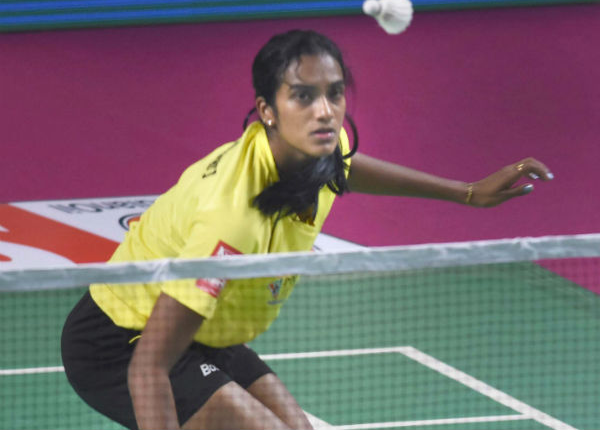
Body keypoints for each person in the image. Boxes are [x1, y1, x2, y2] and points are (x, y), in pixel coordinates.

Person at [61, 29, 553, 430]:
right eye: (302, 96)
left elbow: (345, 167)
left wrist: (467, 192)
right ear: (267, 111)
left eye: (334, 93)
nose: (325, 111)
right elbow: (149, 366)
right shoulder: (232, 220)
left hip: (204, 329)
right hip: (121, 344)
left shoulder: (315, 149)